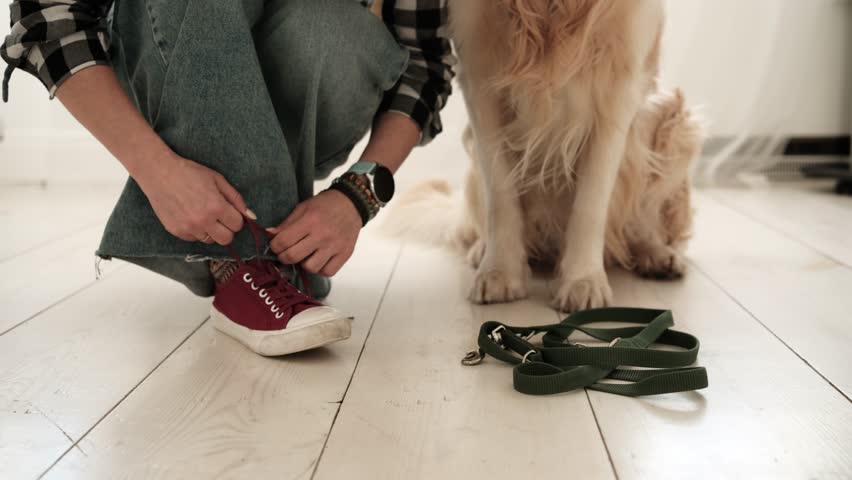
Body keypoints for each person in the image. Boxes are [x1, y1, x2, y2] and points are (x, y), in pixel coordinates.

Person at [1, 0, 454, 356]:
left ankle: (257, 253)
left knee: (335, 27)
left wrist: (360, 193)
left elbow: (422, 62)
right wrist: (155, 168)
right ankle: (249, 263)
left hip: (315, 73)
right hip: (159, 55)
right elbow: (50, 16)